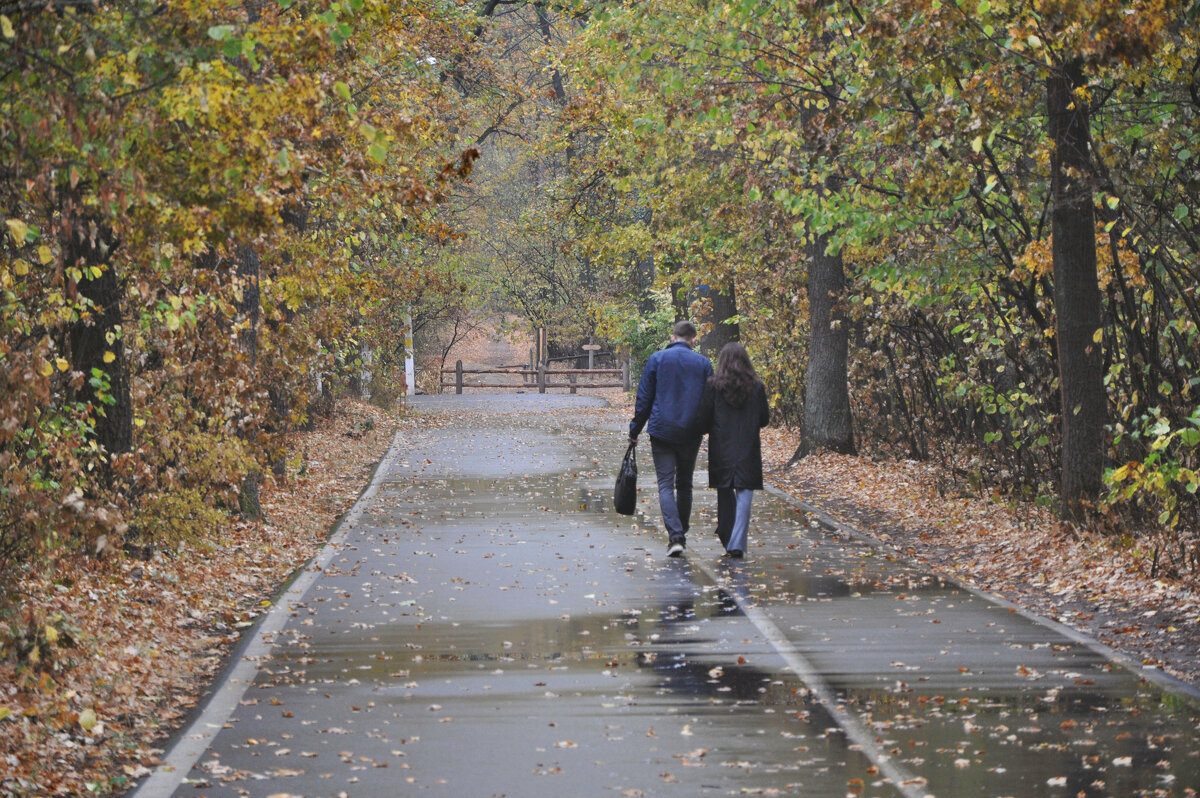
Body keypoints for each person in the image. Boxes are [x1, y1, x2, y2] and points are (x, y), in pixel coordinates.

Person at [628, 320, 714, 557]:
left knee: (665, 484)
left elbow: (644, 398)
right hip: (691, 432)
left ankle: (675, 536)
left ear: (672, 336)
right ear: (693, 339)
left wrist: (634, 430)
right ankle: (681, 534)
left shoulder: (657, 359)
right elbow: (710, 401)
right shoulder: (703, 364)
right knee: (684, 484)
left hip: (662, 431)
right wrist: (704, 428)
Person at [697, 342, 770, 559]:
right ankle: (736, 541)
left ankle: (728, 537)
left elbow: (703, 419)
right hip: (747, 447)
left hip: (722, 447)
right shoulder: (756, 387)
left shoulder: (713, 386)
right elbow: (764, 419)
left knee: (724, 493)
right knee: (745, 493)